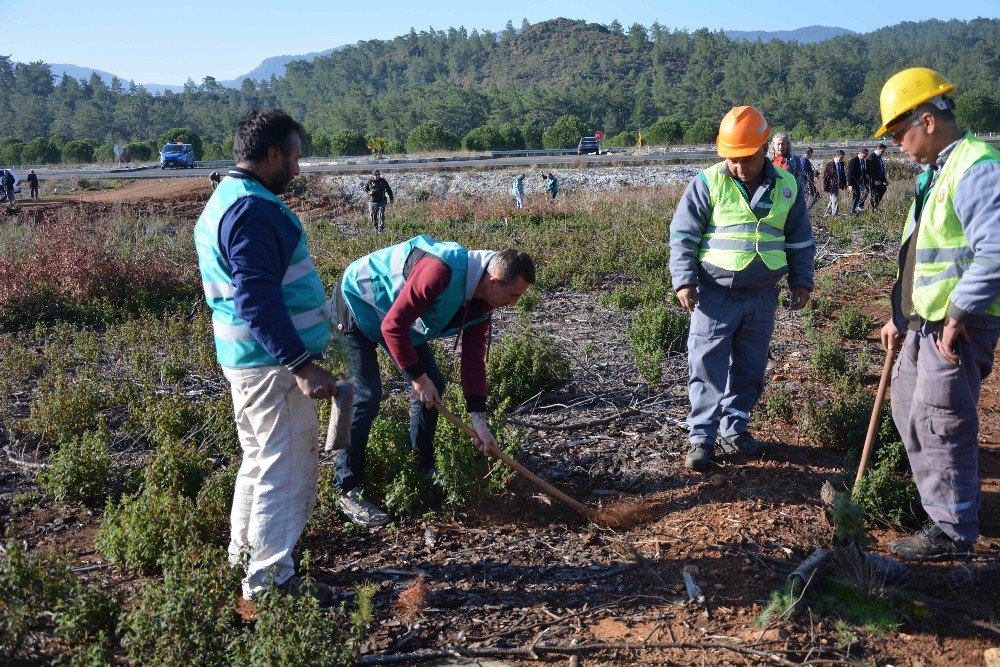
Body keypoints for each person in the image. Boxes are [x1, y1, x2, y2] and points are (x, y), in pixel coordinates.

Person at [193, 109, 337, 603]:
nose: (297, 170)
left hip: (246, 360)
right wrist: (301, 364)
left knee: (258, 459)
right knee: (287, 466)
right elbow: (255, 298)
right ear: (273, 153)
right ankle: (270, 582)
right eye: (294, 157)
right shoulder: (253, 209)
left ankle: (244, 555)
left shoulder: (224, 200)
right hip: (272, 366)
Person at [875, 68, 1000, 561]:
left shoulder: (977, 167)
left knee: (941, 422)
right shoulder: (934, 174)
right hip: (923, 323)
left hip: (957, 328)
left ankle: (953, 533)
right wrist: (899, 316)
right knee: (910, 412)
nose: (898, 145)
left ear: (927, 121)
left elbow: (995, 252)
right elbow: (919, 256)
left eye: (900, 133)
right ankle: (942, 504)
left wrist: (958, 313)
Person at [332, 237, 536, 526]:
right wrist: (417, 378)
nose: (514, 304)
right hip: (357, 302)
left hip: (393, 316)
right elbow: (393, 327)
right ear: (493, 281)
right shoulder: (440, 271)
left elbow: (473, 361)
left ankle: (422, 468)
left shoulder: (483, 303)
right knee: (366, 395)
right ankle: (346, 488)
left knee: (434, 385)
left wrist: (480, 421)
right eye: (514, 295)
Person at [669, 105, 814, 472]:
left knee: (750, 368)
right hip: (714, 294)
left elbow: (799, 240)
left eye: (746, 158)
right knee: (706, 365)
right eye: (731, 158)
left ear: (765, 148)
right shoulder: (707, 182)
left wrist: (801, 281)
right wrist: (684, 280)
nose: (738, 166)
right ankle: (702, 438)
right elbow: (684, 235)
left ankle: (736, 430)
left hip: (762, 295)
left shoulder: (787, 187)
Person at [822, 150, 847, 217]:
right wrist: (825, 187)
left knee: (832, 200)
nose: (842, 159)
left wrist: (844, 184)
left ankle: (826, 214)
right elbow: (826, 177)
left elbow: (843, 175)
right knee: (835, 200)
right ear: (836, 156)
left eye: (843, 158)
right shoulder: (829, 165)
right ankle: (834, 215)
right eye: (841, 157)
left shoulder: (841, 164)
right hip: (831, 185)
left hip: (838, 184)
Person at [846, 147, 869, 214]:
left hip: (860, 181)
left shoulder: (862, 161)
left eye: (866, 156)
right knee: (857, 195)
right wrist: (850, 184)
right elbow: (849, 173)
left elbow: (862, 170)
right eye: (864, 155)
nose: (865, 157)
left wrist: (865, 175)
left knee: (864, 191)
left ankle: (855, 209)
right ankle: (852, 211)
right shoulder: (853, 160)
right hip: (854, 182)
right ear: (860, 153)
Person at [866, 144, 889, 209]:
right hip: (873, 181)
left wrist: (884, 180)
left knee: (882, 189)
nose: (883, 153)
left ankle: (874, 207)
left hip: (879, 180)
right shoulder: (871, 157)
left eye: (884, 152)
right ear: (878, 149)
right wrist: (874, 181)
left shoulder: (879, 157)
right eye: (882, 151)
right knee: (875, 193)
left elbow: (881, 169)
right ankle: (872, 207)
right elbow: (869, 171)